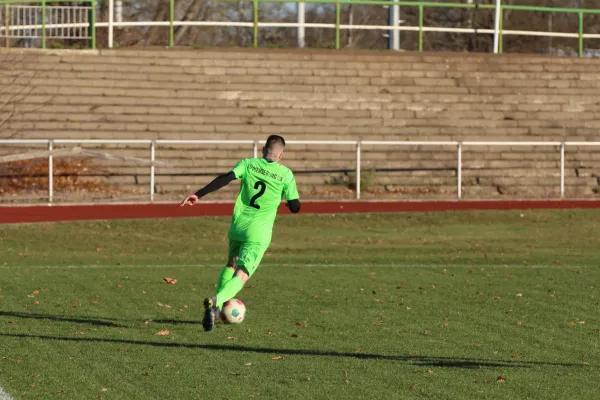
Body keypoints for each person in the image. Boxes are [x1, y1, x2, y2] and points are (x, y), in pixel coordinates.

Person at [180, 135, 301, 331]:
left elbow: (225, 179)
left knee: (231, 263)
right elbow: (295, 206)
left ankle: (216, 311)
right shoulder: (285, 174)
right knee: (242, 274)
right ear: (281, 155)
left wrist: (198, 194)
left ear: (263, 149)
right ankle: (216, 300)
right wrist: (287, 203)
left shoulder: (248, 164)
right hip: (258, 232)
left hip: (238, 226)